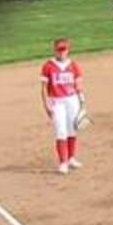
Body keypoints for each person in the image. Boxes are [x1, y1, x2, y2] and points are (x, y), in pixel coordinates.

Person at [40, 37, 85, 174]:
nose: (61, 52)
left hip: (72, 100)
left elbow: (78, 85)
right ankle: (63, 163)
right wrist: (46, 105)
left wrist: (82, 101)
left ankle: (71, 158)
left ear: (68, 50)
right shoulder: (48, 66)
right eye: (59, 49)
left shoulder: (74, 65)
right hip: (57, 102)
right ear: (54, 50)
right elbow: (43, 88)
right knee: (61, 131)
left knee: (72, 130)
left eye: (64, 49)